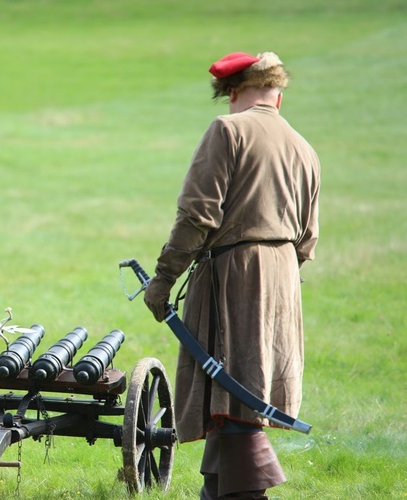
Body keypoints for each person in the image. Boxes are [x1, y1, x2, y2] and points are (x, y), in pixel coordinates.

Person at [143, 52, 320, 499]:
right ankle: (216, 490)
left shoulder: (227, 130)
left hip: (237, 274)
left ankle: (247, 492)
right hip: (282, 279)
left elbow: (197, 216)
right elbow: (308, 240)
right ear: (277, 98)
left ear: (235, 92)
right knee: (238, 391)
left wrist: (164, 279)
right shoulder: (304, 147)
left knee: (236, 390)